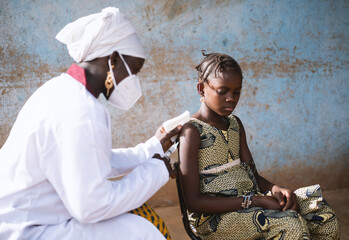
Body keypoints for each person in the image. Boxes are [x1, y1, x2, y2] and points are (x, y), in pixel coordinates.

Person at [0, 7, 179, 240]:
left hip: (21, 216)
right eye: (134, 70)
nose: (134, 81)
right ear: (113, 60)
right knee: (143, 230)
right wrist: (158, 170)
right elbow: (92, 207)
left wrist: (153, 148)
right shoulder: (80, 110)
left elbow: (92, 160)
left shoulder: (61, 90)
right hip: (25, 229)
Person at [178, 51, 340, 239]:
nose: (231, 98)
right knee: (289, 224)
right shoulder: (192, 132)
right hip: (215, 219)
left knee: (321, 214)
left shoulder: (235, 124)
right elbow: (193, 202)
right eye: (222, 91)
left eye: (236, 91)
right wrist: (254, 201)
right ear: (201, 89)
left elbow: (252, 175)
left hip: (251, 202)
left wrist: (275, 189)